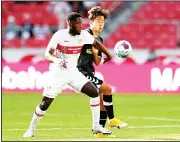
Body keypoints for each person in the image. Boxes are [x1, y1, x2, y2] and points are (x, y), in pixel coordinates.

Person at [23, 12, 112, 138]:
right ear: (70, 24)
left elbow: (96, 43)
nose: (81, 25)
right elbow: (47, 55)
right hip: (57, 74)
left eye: (82, 22)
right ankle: (31, 129)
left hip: (74, 73)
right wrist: (57, 60)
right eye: (78, 23)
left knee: (94, 93)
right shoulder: (59, 35)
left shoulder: (83, 35)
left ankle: (96, 126)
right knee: (44, 104)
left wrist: (108, 54)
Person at [77, 6, 127, 136]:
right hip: (80, 72)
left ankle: (99, 131)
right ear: (91, 21)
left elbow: (98, 62)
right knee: (108, 89)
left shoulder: (99, 40)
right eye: (98, 20)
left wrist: (95, 53)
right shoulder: (84, 35)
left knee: (101, 101)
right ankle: (112, 120)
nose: (101, 24)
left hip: (90, 72)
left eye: (103, 21)